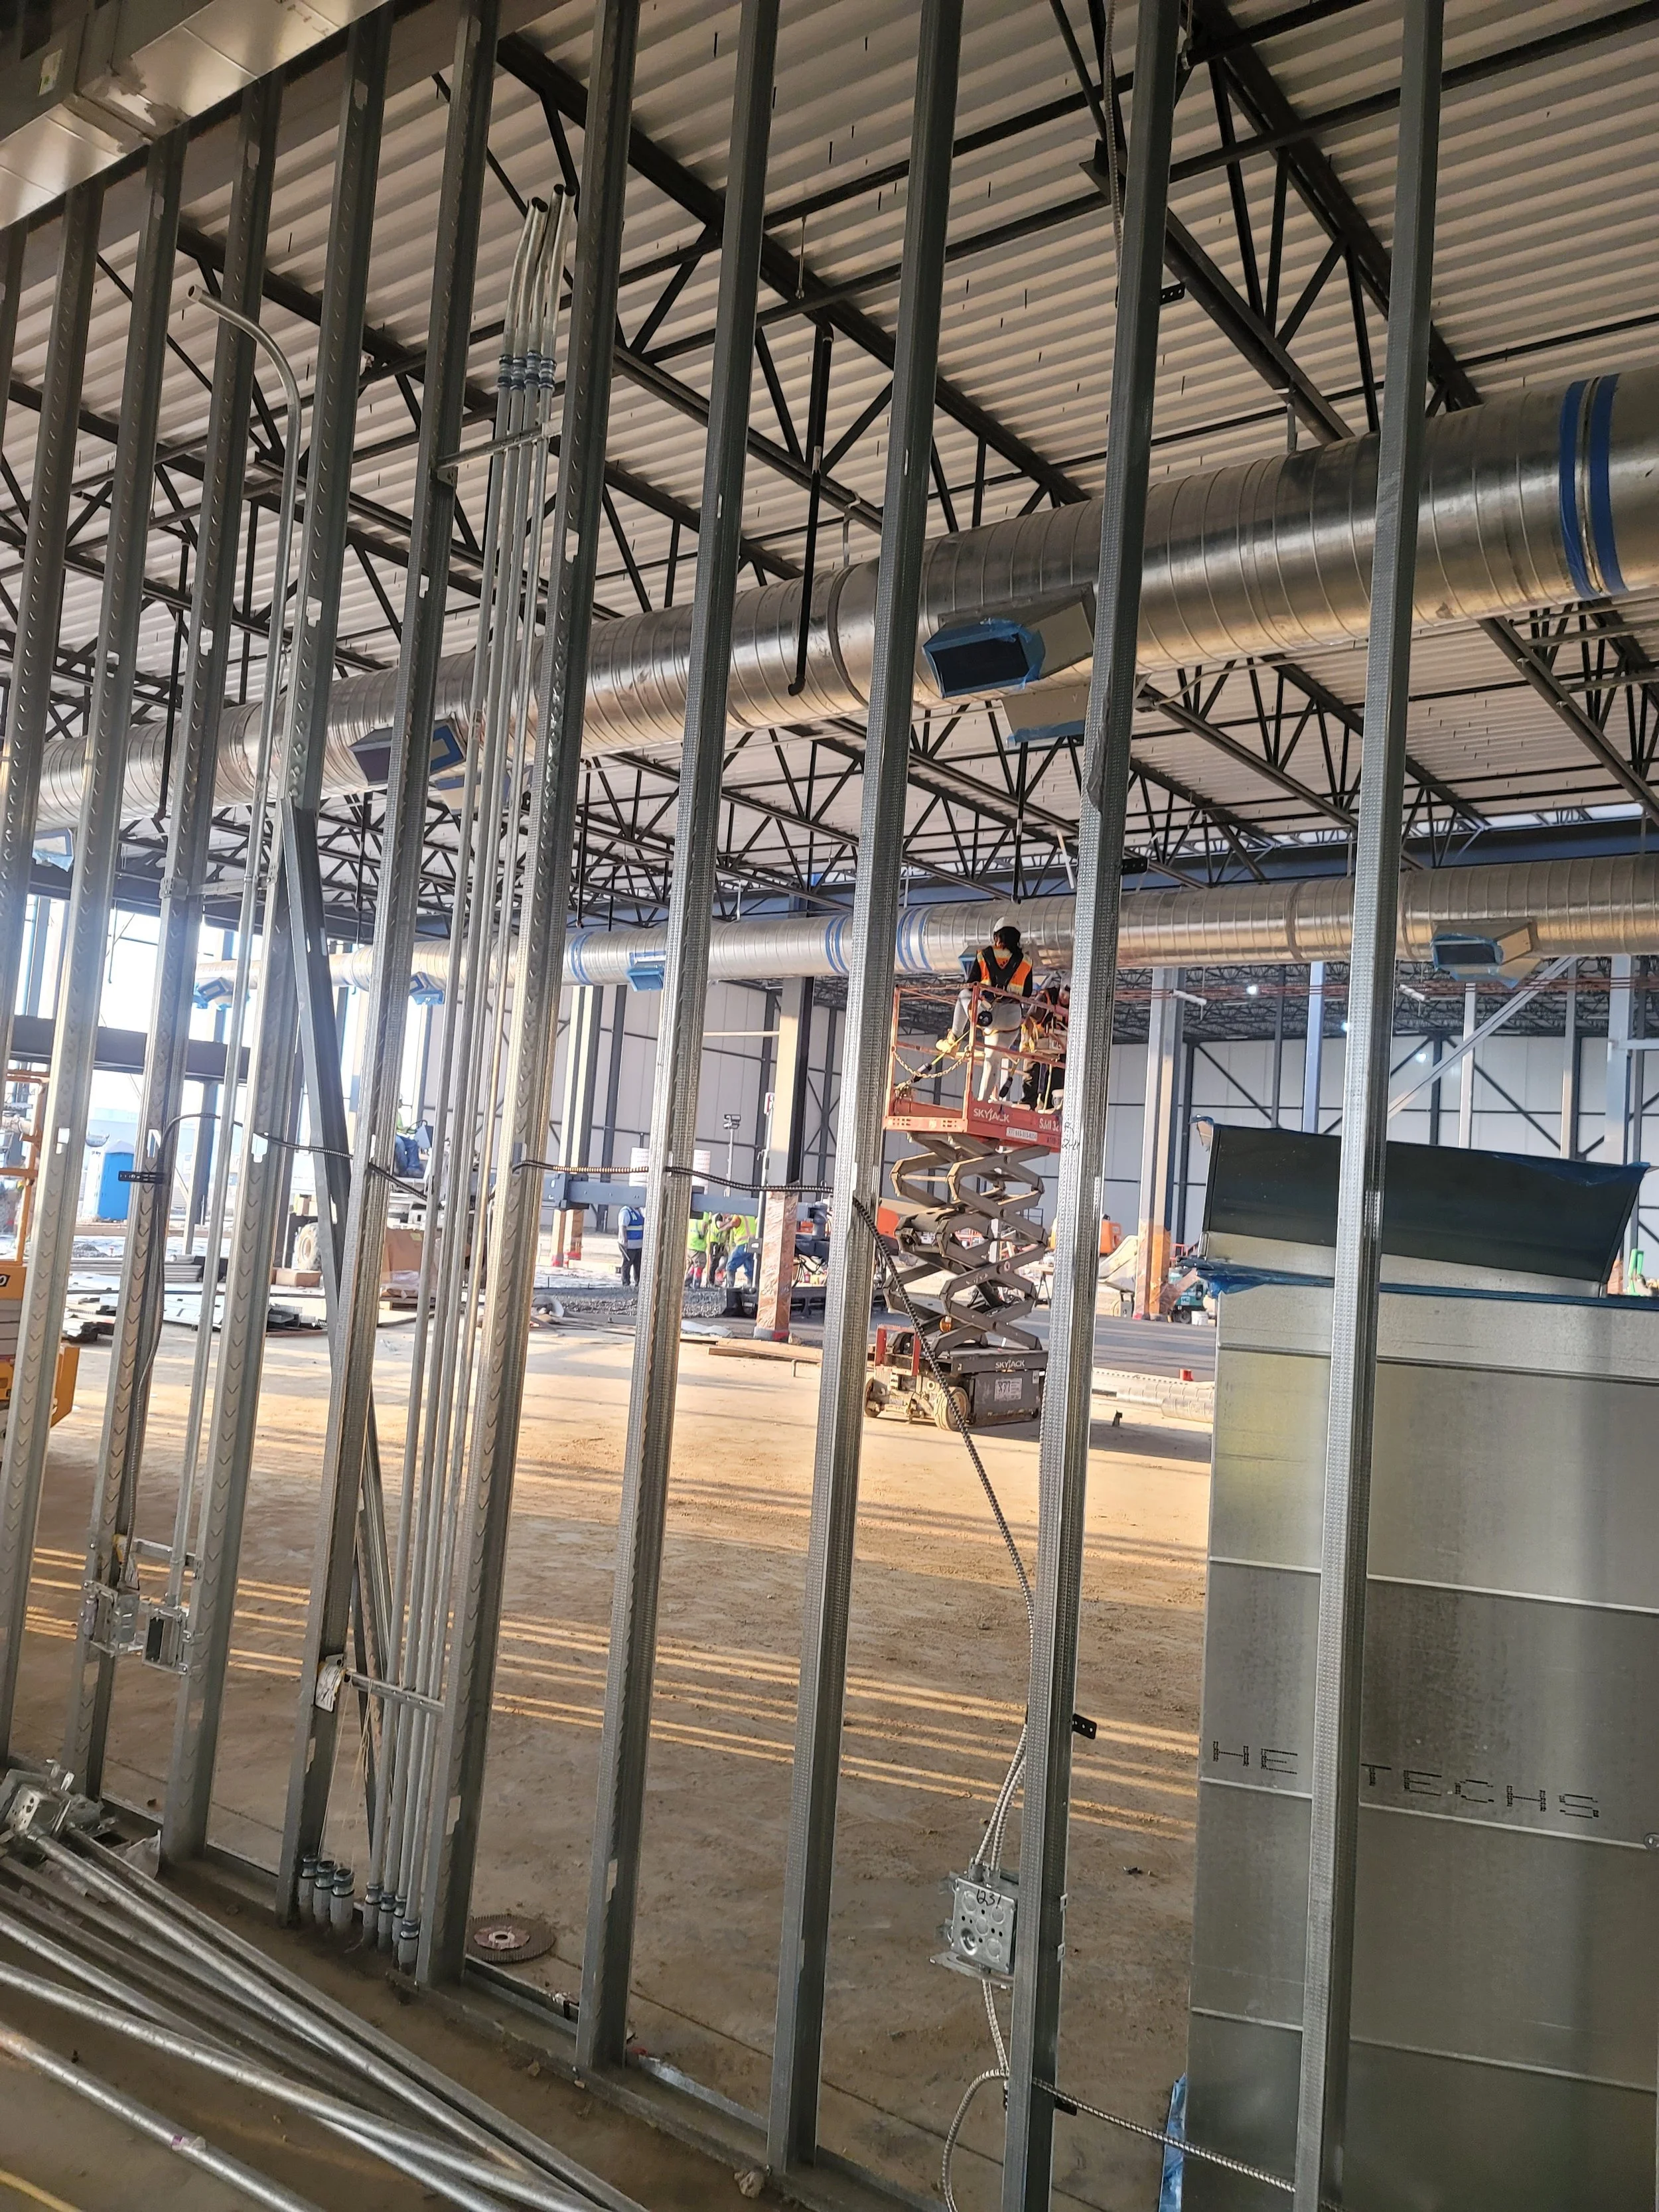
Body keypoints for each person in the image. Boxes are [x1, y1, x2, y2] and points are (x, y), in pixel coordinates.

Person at [920, 924, 1035, 1092]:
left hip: (988, 1014)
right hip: (1011, 1019)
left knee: (962, 996)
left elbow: (970, 985)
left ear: (997, 937)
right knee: (992, 1061)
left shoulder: (984, 955)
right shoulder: (1026, 961)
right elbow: (1027, 992)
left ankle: (953, 1039)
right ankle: (983, 1103)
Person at [618, 1201, 644, 1288]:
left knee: (638, 1265)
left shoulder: (639, 1211)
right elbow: (623, 1227)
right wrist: (624, 1242)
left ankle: (638, 1283)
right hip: (630, 1245)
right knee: (627, 1264)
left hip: (638, 1245)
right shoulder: (626, 1212)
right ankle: (626, 1283)